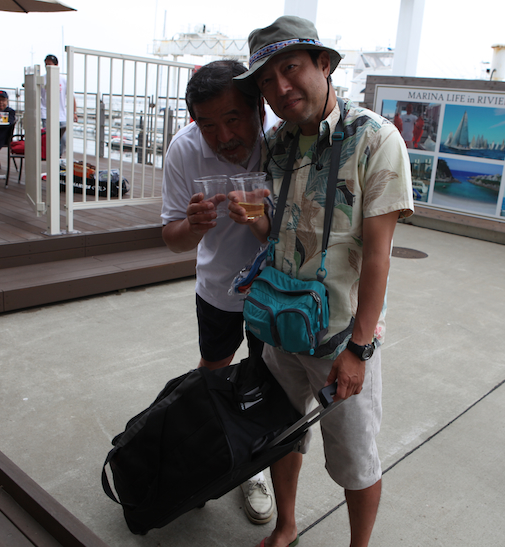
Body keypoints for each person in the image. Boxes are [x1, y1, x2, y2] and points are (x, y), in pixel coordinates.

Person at [232, 16, 413, 547]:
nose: (280, 87)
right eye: (266, 80)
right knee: (281, 434)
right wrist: (251, 217)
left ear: (324, 64)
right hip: (279, 326)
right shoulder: (277, 143)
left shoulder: (376, 139)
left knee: (355, 458)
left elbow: (378, 256)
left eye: (290, 69)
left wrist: (359, 348)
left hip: (339, 338)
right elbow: (278, 233)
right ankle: (287, 525)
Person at [161, 60, 279, 526]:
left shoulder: (283, 141)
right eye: (208, 125)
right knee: (213, 372)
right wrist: (192, 227)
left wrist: (261, 220)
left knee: (268, 384)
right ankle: (202, 452)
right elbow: (171, 237)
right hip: (218, 288)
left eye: (233, 119)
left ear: (258, 109)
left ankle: (254, 466)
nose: (223, 136)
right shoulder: (184, 150)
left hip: (278, 291)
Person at [40, 54, 77, 158]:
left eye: (50, 64)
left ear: (56, 65)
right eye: (46, 65)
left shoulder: (63, 80)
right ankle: (52, 159)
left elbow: (71, 96)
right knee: (50, 139)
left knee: (64, 140)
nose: (47, 67)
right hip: (46, 113)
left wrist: (74, 112)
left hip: (61, 114)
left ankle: (58, 157)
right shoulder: (42, 79)